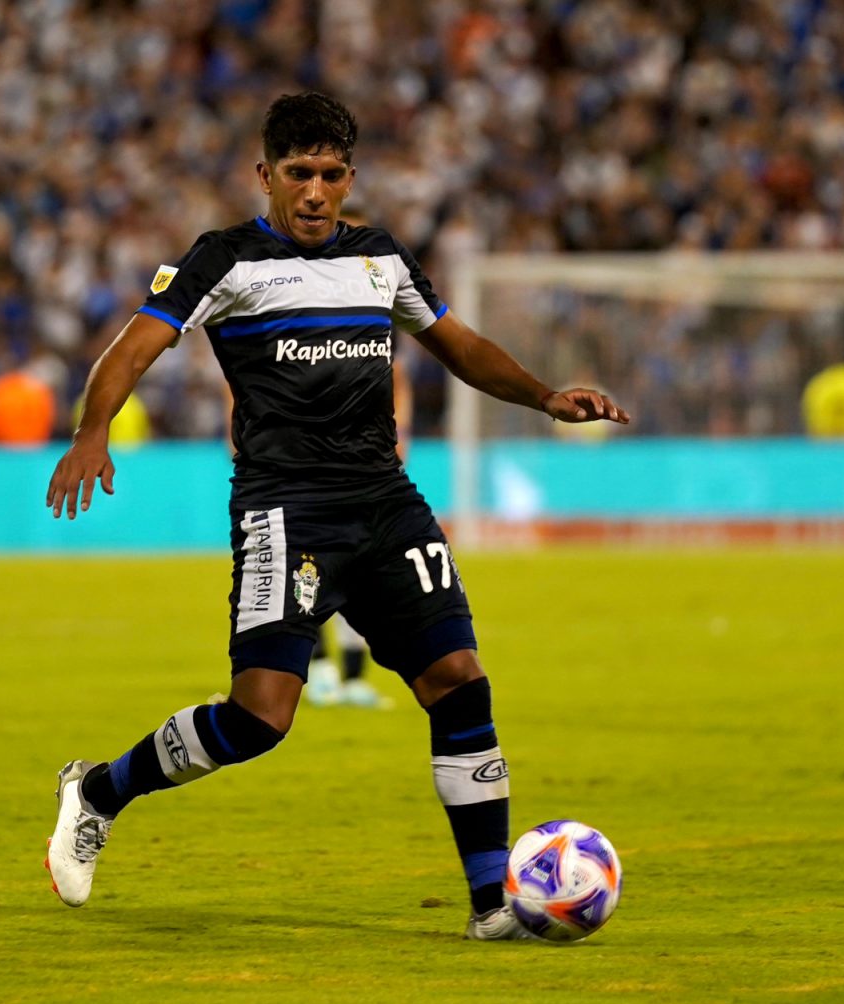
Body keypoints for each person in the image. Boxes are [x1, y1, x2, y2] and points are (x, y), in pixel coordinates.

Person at [43, 92, 629, 940]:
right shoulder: (225, 260)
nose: (314, 192)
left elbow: (459, 345)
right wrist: (92, 431)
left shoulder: (380, 257)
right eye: (298, 174)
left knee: (459, 679)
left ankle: (491, 906)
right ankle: (98, 791)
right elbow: (135, 346)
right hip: (287, 510)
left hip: (387, 504)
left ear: (349, 178)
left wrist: (544, 396)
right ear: (266, 175)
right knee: (260, 717)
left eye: (329, 175)